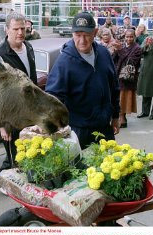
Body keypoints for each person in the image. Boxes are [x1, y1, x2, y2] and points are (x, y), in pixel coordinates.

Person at [46, 12, 120, 149]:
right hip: (79, 131)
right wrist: (55, 128)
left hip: (105, 128)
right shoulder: (64, 62)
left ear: (95, 33)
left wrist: (116, 116)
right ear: (72, 34)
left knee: (110, 166)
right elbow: (52, 98)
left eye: (86, 35)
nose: (82, 40)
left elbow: (114, 87)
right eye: (78, 35)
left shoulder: (104, 54)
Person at [0, 12, 37, 173]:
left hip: (30, 112)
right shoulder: (0, 55)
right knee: (16, 159)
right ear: (7, 30)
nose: (20, 32)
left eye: (23, 28)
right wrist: (2, 125)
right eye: (15, 29)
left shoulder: (29, 47)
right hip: (12, 117)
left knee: (32, 152)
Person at [113, 29, 142, 128]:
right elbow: (114, 59)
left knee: (124, 98)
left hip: (128, 77)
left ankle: (122, 118)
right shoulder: (122, 46)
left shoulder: (137, 48)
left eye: (131, 36)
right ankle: (120, 117)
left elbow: (131, 61)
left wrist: (120, 50)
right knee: (118, 98)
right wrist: (115, 50)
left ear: (134, 37)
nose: (129, 38)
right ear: (124, 37)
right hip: (118, 76)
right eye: (127, 36)